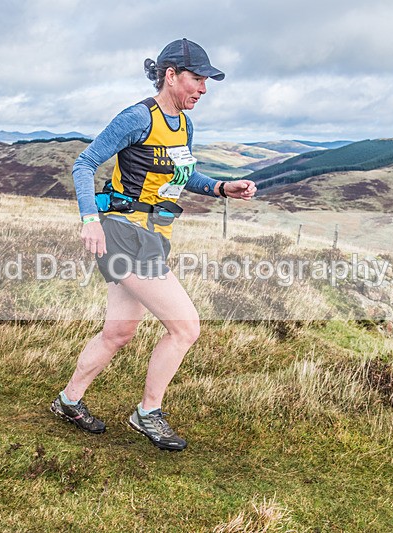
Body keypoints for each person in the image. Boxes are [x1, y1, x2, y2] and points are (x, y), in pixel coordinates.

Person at [50, 38, 257, 451]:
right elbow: (84, 163)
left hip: (155, 235)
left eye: (206, 81)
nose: (203, 88)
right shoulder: (136, 117)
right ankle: (148, 413)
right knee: (185, 327)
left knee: (119, 332)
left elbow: (184, 175)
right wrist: (89, 220)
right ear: (171, 75)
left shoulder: (185, 124)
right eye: (196, 78)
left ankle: (68, 401)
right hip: (125, 233)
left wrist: (220, 187)